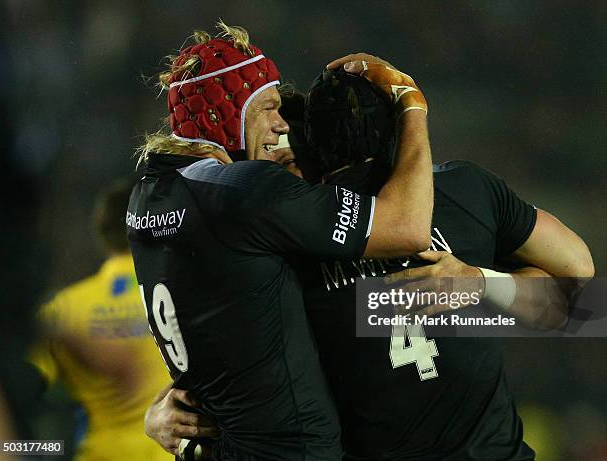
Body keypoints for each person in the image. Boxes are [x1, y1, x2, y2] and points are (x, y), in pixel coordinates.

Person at [145, 65, 594, 460]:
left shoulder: (289, 238)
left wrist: (164, 411)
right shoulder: (465, 190)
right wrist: (482, 283)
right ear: (398, 131)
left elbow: (234, 362)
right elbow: (581, 292)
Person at [128, 21, 434, 460]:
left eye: (290, 162)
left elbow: (570, 308)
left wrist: (482, 287)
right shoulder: (277, 235)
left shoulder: (151, 196)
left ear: (321, 168)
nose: (278, 132)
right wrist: (413, 106)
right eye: (269, 113)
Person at [28, 178, 172, 461]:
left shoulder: (63, 308)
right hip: (172, 453)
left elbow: (20, 384)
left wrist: (21, 449)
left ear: (101, 233)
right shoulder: (182, 294)